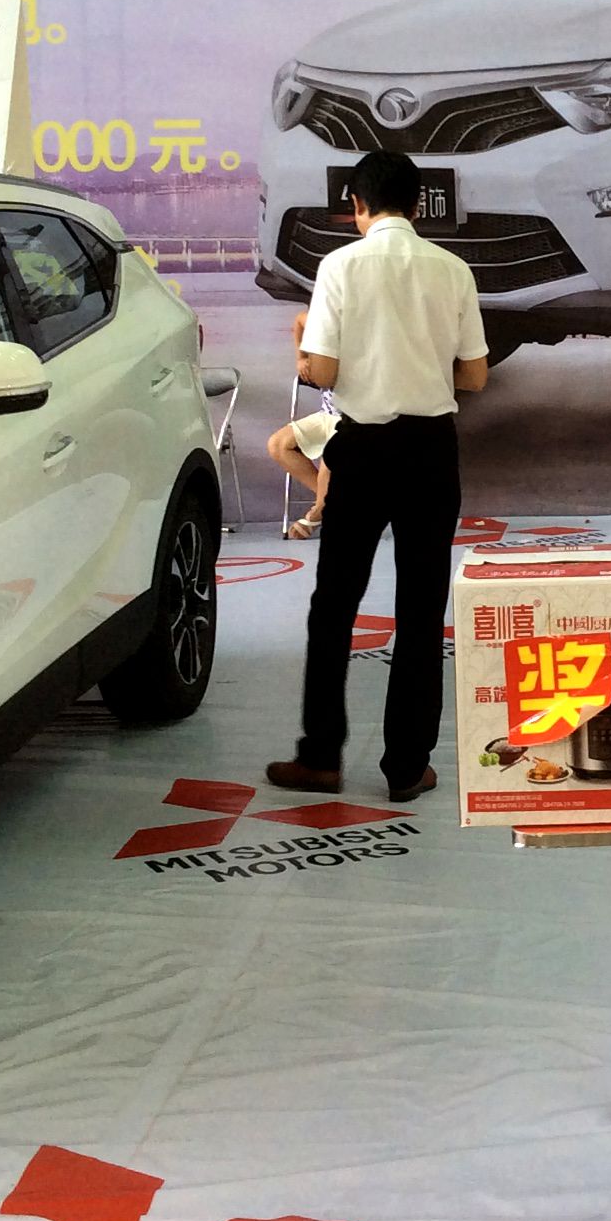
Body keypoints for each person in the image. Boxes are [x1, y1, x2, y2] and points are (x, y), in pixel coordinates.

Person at [266, 151, 489, 804]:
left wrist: (305, 355)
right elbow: (475, 376)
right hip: (430, 451)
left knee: (334, 605)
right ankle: (406, 767)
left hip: (361, 449)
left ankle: (320, 758)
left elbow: (324, 372)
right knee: (421, 610)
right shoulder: (452, 269)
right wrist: (420, 367)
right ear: (418, 205)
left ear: (356, 206)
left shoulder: (339, 266)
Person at [268, 311, 336, 540]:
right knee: (278, 444)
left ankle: (318, 511)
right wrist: (301, 357)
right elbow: (299, 320)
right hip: (328, 413)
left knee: (333, 454)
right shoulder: (325, 318)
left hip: (358, 418)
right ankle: (331, 503)